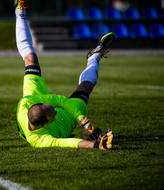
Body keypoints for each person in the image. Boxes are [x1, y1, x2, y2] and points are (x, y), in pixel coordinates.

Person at [15, 0, 114, 150]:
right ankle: (95, 56)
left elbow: (60, 101)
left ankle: (19, 12)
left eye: (50, 107)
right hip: (62, 123)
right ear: (46, 124)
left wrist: (84, 122)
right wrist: (96, 144)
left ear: (39, 104)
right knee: (86, 87)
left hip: (34, 100)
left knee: (31, 59)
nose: (56, 109)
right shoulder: (40, 140)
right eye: (53, 112)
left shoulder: (25, 104)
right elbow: (69, 143)